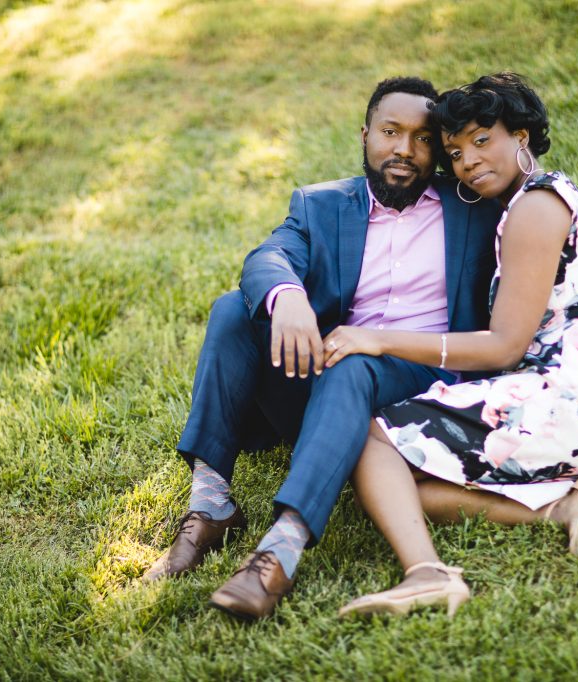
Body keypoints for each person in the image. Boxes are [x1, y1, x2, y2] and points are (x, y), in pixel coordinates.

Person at [140, 76, 503, 621]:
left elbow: (552, 296)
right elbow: (268, 256)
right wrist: (287, 297)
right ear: (365, 135)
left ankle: (280, 548)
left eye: (423, 138)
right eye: (390, 131)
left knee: (354, 360)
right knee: (231, 311)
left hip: (426, 383)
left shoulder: (474, 208)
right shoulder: (320, 205)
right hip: (333, 382)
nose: (404, 149)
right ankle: (211, 502)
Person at [320, 73, 578, 618]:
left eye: (482, 140)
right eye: (454, 152)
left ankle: (426, 574)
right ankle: (570, 507)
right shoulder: (551, 197)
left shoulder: (533, 209)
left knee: (372, 440)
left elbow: (503, 347)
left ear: (521, 135)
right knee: (402, 485)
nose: (468, 161)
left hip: (573, 410)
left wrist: (378, 338)